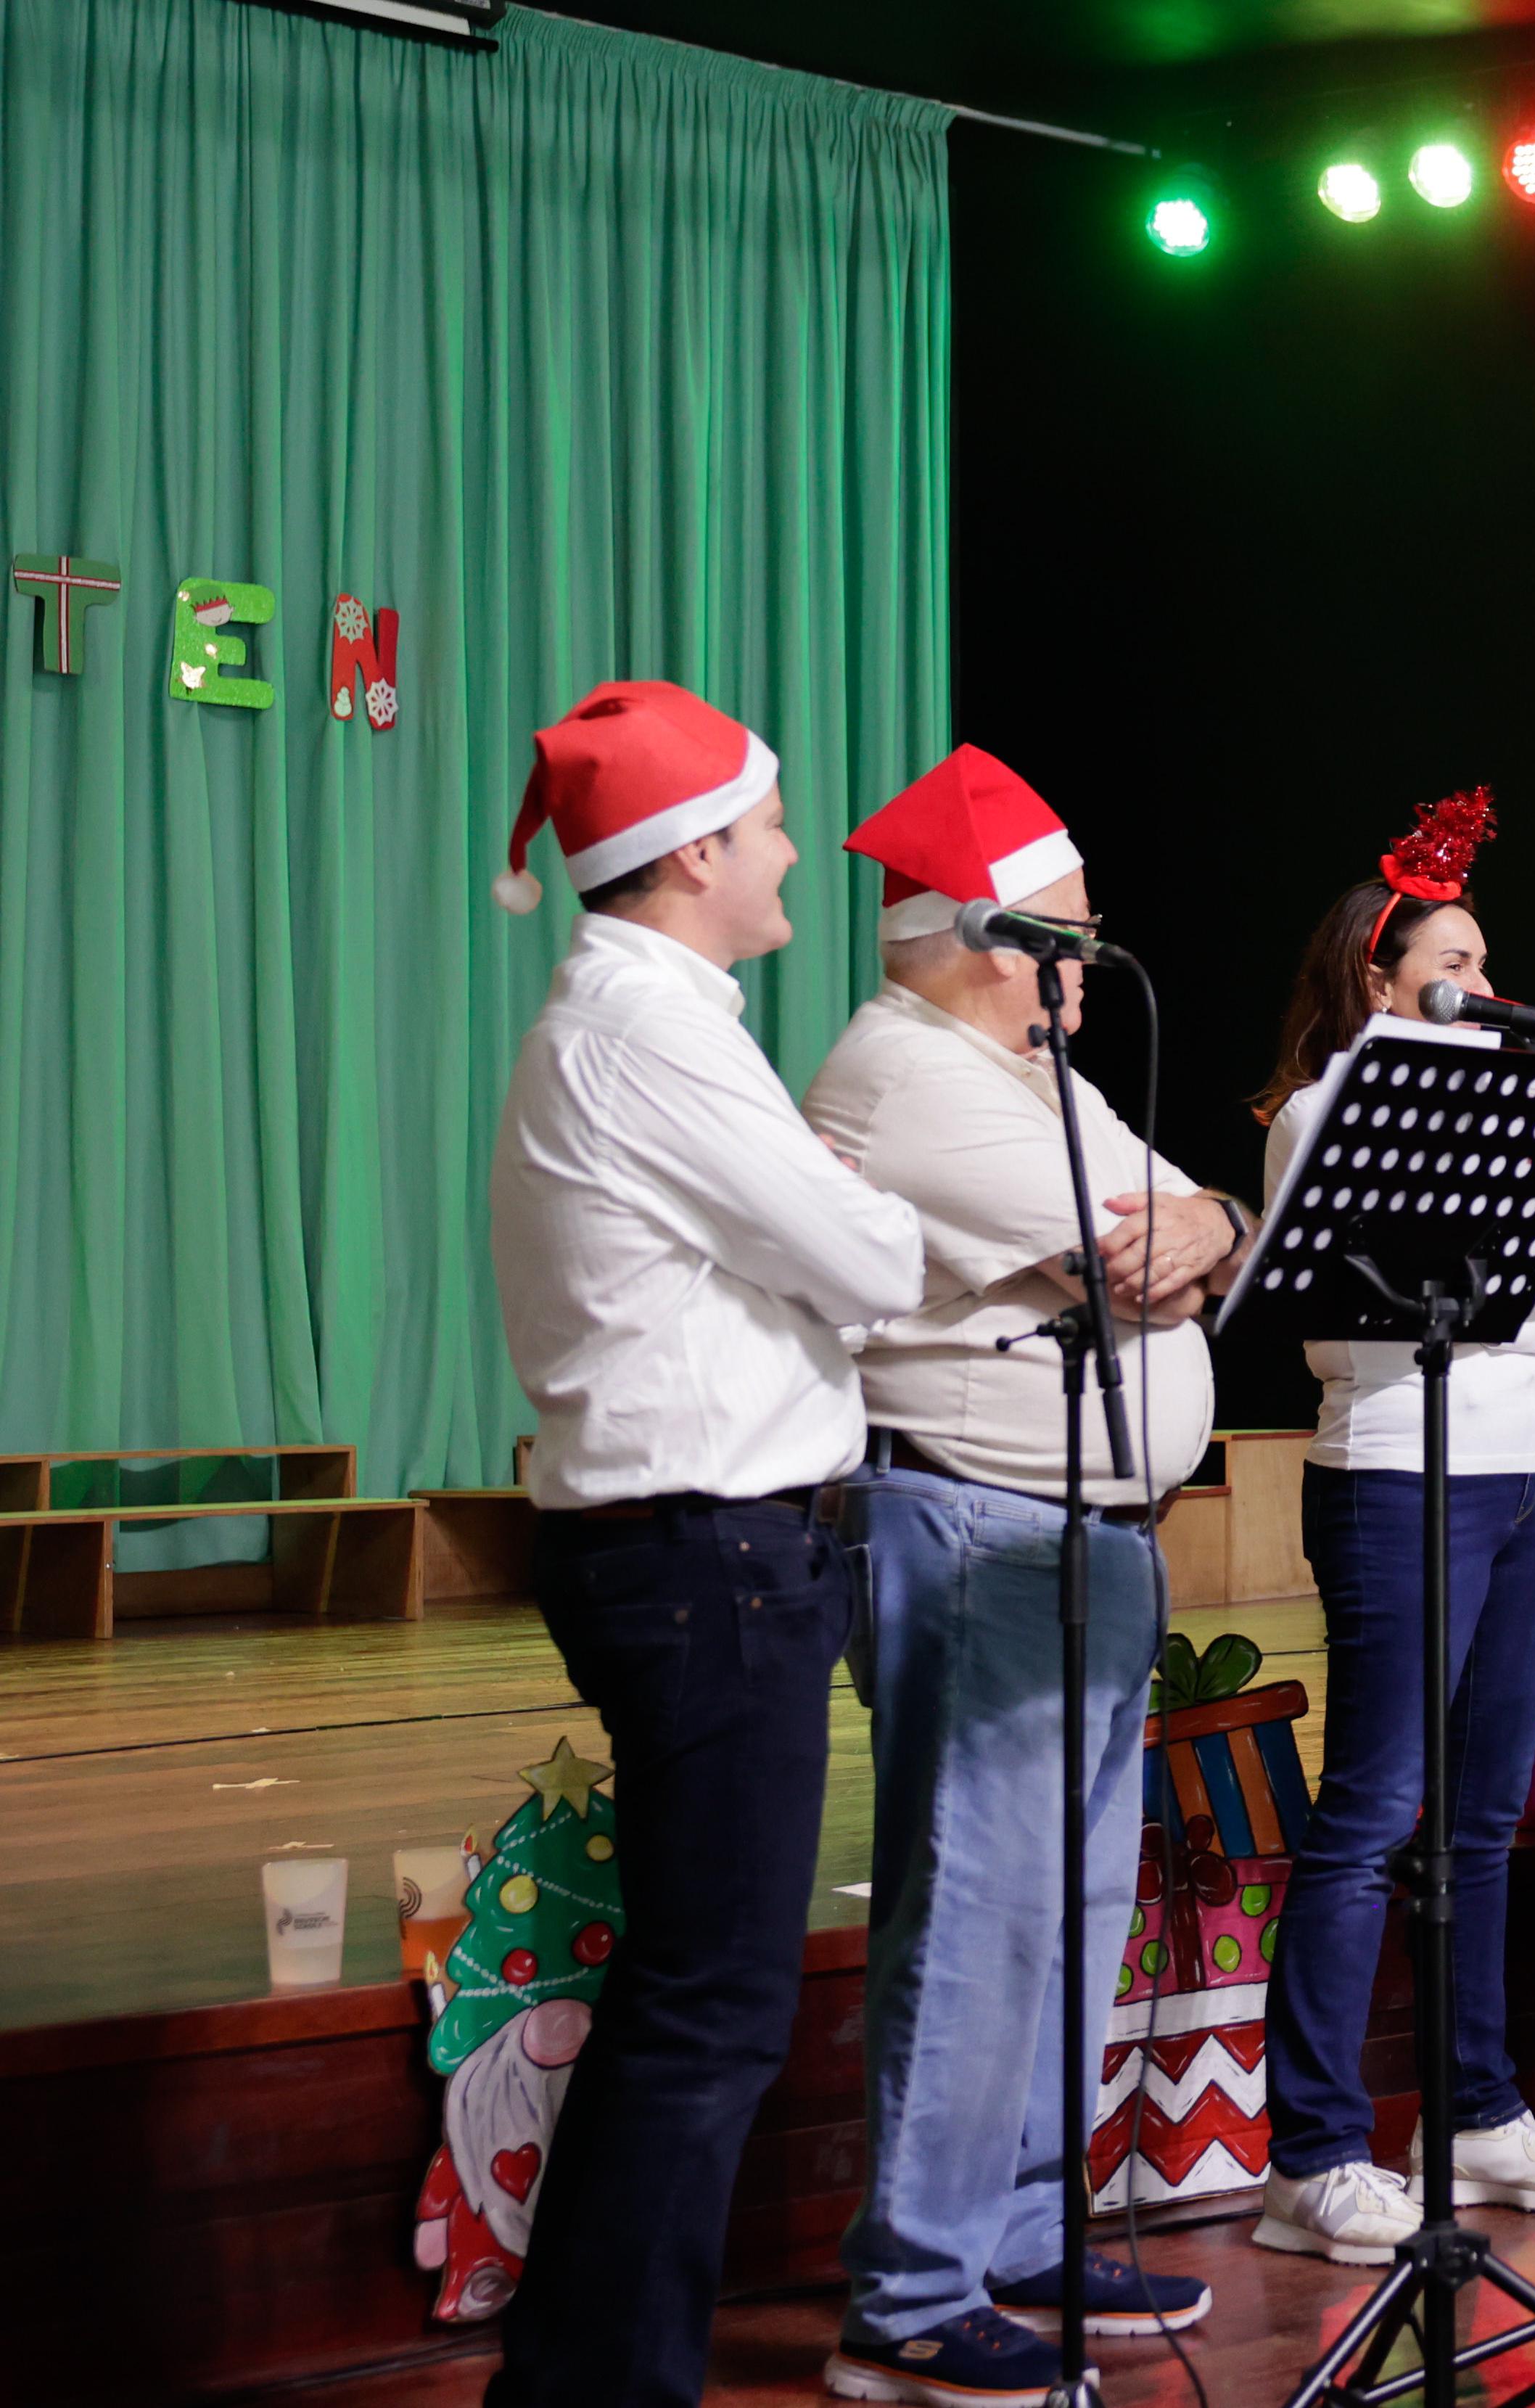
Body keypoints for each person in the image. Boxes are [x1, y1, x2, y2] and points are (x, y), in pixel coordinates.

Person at [484, 681, 928, 2408]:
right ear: (685, 860)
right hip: (706, 1554)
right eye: (764, 826)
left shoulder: (655, 1016)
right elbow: (874, 1263)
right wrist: (831, 1221)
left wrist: (817, 1222)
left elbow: (822, 1241)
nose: (795, 848)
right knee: (706, 2014)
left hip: (713, 1552)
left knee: (700, 2005)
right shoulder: (648, 1030)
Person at [804, 747, 1232, 2404]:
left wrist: (1198, 1227)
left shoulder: (1040, 1079)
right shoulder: (910, 1075)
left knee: (1077, 1904)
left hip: (1087, 1539)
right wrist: (1183, 1235)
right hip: (978, 1531)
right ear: (986, 937)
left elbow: (1194, 1219)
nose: (1086, 955)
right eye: (1068, 929)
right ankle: (913, 2286)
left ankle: (1025, 2225)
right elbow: (1123, 1243)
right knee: (978, 1906)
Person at [1248, 792, 1535, 2264]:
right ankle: (1313, 2149)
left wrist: (1532, 1300)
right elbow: (1367, 1329)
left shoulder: (1517, 1103)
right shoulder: (1317, 1115)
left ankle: (1471, 2107)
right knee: (1371, 1815)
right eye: (1449, 960)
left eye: (1483, 955)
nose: (1482, 981)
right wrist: (1533, 1299)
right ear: (1375, 975)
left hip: (1531, 1465)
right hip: (1402, 1473)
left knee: (1481, 1816)